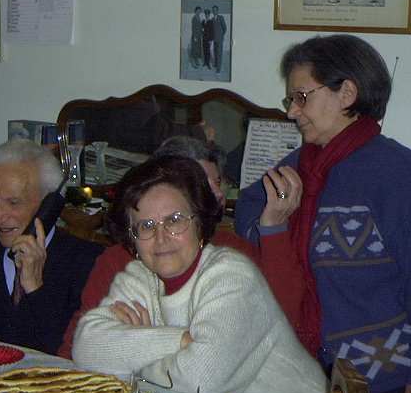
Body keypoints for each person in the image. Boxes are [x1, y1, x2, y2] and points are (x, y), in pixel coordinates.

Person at [235, 34, 411, 393]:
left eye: (301, 97)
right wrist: (276, 220)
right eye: (291, 99)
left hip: (389, 387)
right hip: (319, 382)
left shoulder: (398, 173)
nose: (292, 111)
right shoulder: (303, 165)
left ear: (347, 94)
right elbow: (248, 213)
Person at [73, 156, 327, 393]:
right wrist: (177, 341)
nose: (161, 237)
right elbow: (87, 349)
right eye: (145, 226)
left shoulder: (231, 277)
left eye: (175, 220)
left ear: (199, 223)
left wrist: (134, 362)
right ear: (132, 237)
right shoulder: (139, 278)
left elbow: (198, 385)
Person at [57, 135, 306, 359]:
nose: (216, 194)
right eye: (200, 184)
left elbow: (281, 328)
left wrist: (146, 343)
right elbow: (76, 349)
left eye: (217, 182)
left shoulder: (232, 253)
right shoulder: (119, 261)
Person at [0, 139, 103, 355]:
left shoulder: (88, 263)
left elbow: (75, 354)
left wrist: (35, 288)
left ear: (48, 206)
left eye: (13, 202)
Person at [210, 5, 227, 71]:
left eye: (215, 10)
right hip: (214, 40)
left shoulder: (221, 17)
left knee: (219, 53)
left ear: (217, 11)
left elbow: (225, 28)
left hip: (220, 39)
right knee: (215, 53)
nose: (214, 11)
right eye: (213, 10)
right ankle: (216, 64)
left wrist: (221, 36)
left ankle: (218, 69)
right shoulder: (212, 19)